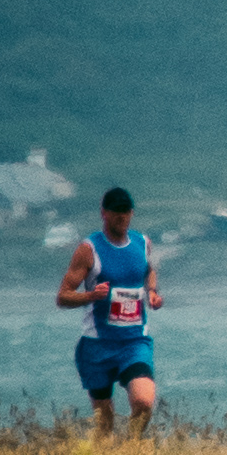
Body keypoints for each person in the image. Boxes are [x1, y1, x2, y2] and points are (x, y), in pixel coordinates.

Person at [54, 185, 162, 435]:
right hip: (97, 345)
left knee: (144, 402)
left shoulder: (142, 242)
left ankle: (133, 447)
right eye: (116, 212)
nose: (121, 217)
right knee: (104, 425)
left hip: (134, 341)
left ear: (132, 213)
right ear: (104, 213)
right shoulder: (89, 249)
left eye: (126, 211)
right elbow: (63, 297)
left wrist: (152, 292)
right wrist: (91, 295)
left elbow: (149, 270)